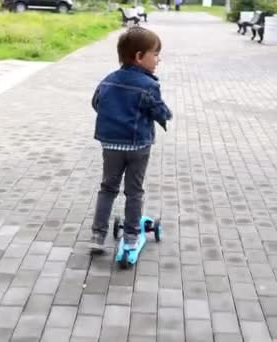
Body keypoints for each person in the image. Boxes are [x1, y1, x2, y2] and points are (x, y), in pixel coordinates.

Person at [89, 27, 173, 255]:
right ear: (138, 56)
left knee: (107, 188)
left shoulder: (108, 80)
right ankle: (131, 236)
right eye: (155, 54)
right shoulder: (148, 85)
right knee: (134, 191)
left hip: (111, 145)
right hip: (137, 146)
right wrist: (166, 115)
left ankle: (98, 236)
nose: (158, 59)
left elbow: (96, 102)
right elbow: (158, 111)